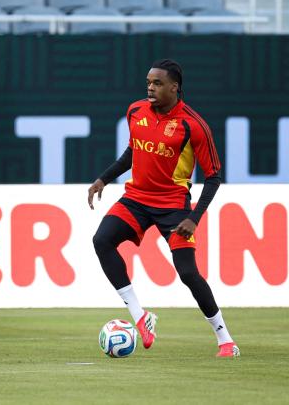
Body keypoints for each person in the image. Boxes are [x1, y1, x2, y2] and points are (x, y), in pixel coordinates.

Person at [87, 59, 239, 357]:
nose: (150, 88)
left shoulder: (193, 125)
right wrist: (104, 179)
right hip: (136, 199)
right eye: (148, 82)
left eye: (157, 83)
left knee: (187, 273)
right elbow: (133, 151)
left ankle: (225, 339)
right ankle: (141, 317)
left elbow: (213, 177)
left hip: (173, 206)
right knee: (101, 240)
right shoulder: (135, 111)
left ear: (174, 87)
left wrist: (194, 218)